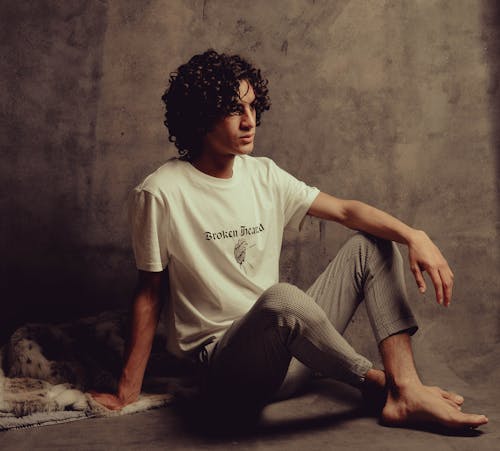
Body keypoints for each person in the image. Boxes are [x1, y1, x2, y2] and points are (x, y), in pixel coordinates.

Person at [91, 49, 488, 430]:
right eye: (234, 109)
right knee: (282, 298)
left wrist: (413, 235)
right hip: (230, 371)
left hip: (296, 355)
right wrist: (127, 392)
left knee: (373, 245)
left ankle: (407, 390)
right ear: (200, 117)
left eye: (252, 107)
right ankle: (382, 385)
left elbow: (348, 212)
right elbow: (149, 293)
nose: (250, 121)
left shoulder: (263, 174)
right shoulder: (159, 192)